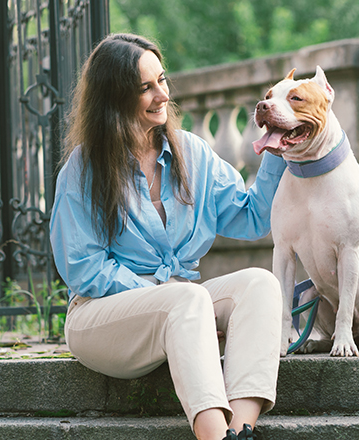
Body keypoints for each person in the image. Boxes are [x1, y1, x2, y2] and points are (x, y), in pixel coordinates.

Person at [49, 33, 286, 440]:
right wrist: (166, 296)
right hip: (100, 317)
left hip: (181, 306)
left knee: (260, 284)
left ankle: (240, 429)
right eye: (146, 87)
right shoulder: (83, 168)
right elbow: (83, 269)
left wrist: (279, 149)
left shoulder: (192, 153)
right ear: (115, 97)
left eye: (162, 80)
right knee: (186, 296)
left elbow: (251, 219)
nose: (162, 95)